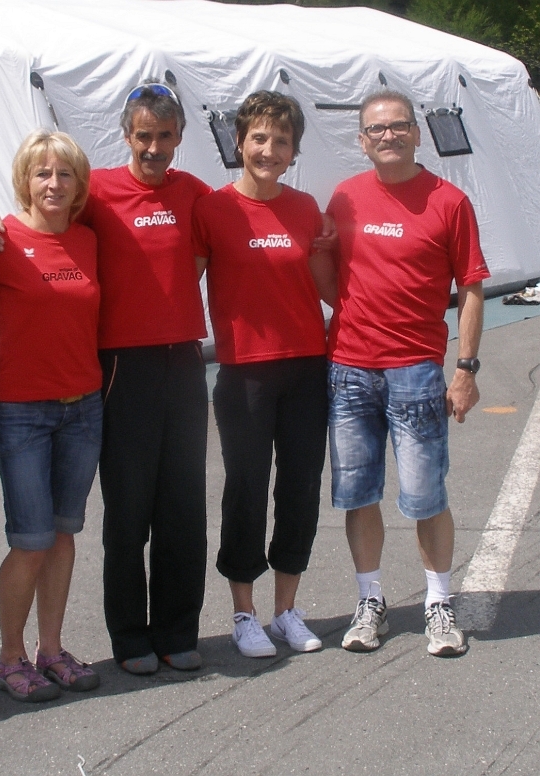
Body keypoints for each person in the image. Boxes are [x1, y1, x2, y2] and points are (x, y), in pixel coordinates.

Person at [0, 82, 211, 674]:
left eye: (164, 136)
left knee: (182, 505)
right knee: (128, 510)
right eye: (143, 136)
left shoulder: (196, 194)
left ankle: (178, 630)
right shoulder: (94, 191)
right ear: (126, 136)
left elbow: (229, 245)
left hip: (183, 360)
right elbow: (35, 224)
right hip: (118, 366)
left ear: (179, 138)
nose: (153, 148)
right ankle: (130, 638)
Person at [326, 89, 489, 657]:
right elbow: (328, 272)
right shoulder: (344, 198)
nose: (387, 136)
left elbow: (471, 288)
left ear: (418, 134)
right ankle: (370, 602)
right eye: (376, 129)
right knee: (358, 494)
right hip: (349, 368)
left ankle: (438, 603)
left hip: (417, 371)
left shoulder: (449, 201)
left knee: (425, 495)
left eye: (398, 127)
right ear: (362, 140)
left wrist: (464, 369)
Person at [193, 91, 335, 658]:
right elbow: (179, 276)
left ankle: (286, 611)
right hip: (244, 373)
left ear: (293, 149)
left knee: (299, 487)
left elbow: (331, 289)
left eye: (280, 140)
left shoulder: (306, 210)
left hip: (306, 367)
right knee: (247, 489)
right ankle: (244, 613)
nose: (268, 149)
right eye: (258, 137)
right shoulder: (213, 209)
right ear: (239, 143)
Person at [0, 130, 102, 702]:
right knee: (30, 540)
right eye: (42, 173)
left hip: (84, 408)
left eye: (64, 174)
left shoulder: (88, 241)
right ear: (24, 178)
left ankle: (51, 649)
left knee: (64, 536)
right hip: (23, 412)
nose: (53, 183)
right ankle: (9, 657)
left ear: (79, 185)